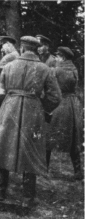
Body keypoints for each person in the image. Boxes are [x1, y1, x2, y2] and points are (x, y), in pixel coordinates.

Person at [0, 36, 62, 207]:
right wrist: (41, 107)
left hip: (9, 108)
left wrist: (3, 106)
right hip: (33, 110)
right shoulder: (44, 69)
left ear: (21, 48)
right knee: (31, 149)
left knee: (2, 147)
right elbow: (55, 97)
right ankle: (27, 198)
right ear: (36, 49)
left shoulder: (8, 66)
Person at [46, 46, 84, 181]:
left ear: (62, 57)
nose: (56, 59)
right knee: (74, 137)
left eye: (57, 57)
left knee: (49, 134)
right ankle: (78, 171)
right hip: (73, 104)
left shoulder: (57, 70)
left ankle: (44, 169)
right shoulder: (73, 68)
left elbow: (51, 88)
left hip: (60, 104)